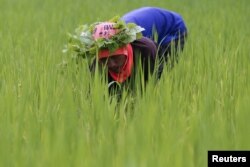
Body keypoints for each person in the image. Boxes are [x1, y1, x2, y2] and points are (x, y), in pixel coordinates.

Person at [122, 7, 188, 72]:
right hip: (151, 20)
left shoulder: (140, 39)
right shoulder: (116, 34)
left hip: (174, 28)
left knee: (159, 69)